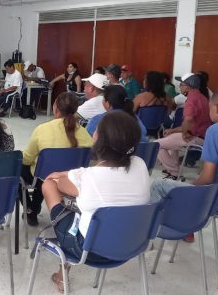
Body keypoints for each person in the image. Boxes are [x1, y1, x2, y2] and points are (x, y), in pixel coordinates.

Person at [41, 111, 150, 292]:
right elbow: (101, 176)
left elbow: (60, 184)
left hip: (90, 250)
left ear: (99, 140)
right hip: (133, 243)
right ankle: (62, 273)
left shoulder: (90, 179)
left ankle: (62, 272)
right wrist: (77, 174)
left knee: (49, 185)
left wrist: (70, 175)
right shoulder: (140, 164)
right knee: (87, 213)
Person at [21, 92, 93, 226]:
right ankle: (33, 208)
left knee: (21, 170)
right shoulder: (84, 133)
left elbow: (27, 159)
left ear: (56, 108)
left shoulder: (42, 129)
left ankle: (31, 209)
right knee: (43, 172)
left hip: (44, 177)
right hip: (71, 180)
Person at [155, 73, 212, 180]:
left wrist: (185, 133)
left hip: (194, 137)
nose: (179, 86)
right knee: (170, 139)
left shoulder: (191, 99)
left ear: (188, 86)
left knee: (156, 145)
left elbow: (188, 119)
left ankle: (174, 172)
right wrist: (173, 131)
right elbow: (189, 123)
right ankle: (174, 169)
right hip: (201, 136)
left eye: (181, 84)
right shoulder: (202, 97)